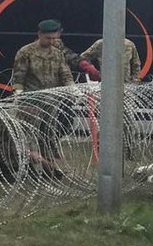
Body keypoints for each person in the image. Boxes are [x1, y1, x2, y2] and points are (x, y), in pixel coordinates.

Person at [11, 19, 74, 178]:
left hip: (51, 101)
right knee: (29, 135)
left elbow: (65, 74)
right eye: (48, 38)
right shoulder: (26, 52)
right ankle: (29, 168)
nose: (51, 41)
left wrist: (72, 88)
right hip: (31, 101)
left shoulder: (57, 53)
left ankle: (49, 168)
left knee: (48, 135)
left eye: (54, 38)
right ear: (39, 35)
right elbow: (19, 77)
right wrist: (18, 94)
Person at [78, 37, 142, 83]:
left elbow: (136, 64)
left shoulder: (129, 45)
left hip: (125, 85)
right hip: (105, 85)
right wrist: (92, 71)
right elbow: (83, 58)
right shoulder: (101, 44)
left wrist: (134, 82)